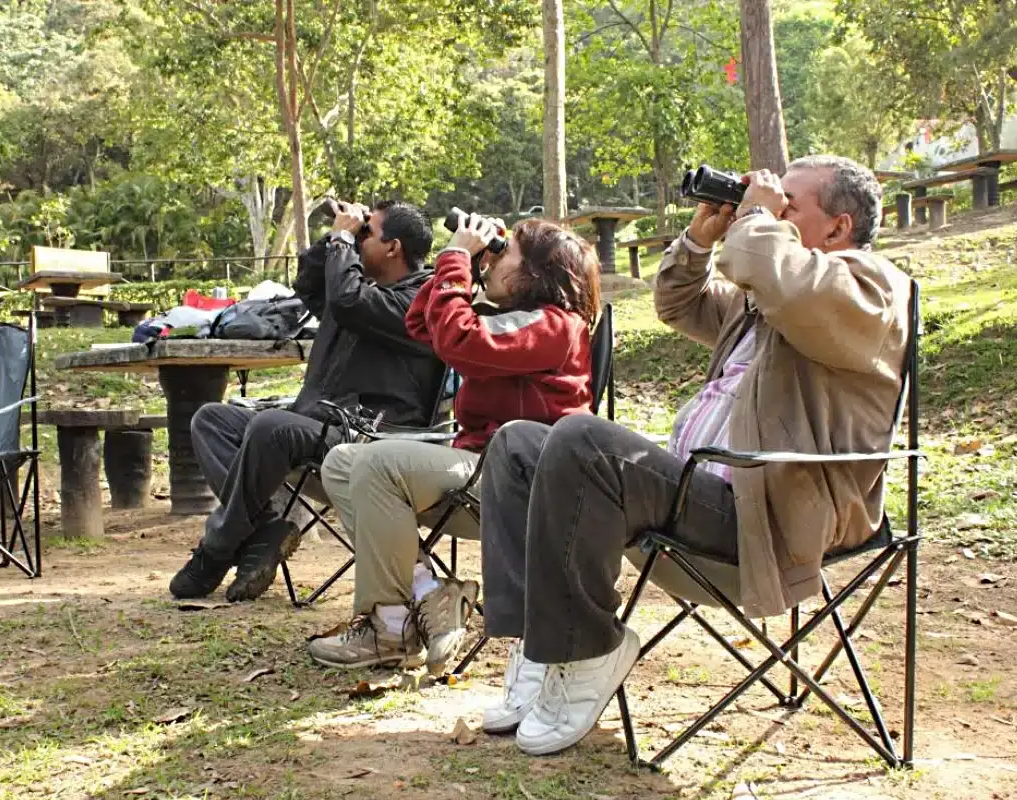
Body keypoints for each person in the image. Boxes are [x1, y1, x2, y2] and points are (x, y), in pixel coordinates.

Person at [477, 155, 912, 756]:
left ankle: (587, 649)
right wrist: (700, 239)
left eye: (787, 203)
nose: (770, 209)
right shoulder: (774, 297)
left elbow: (773, 270)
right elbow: (679, 303)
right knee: (518, 444)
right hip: (700, 496)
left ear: (838, 227)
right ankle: (541, 643)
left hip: (769, 520)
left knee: (581, 438)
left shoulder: (869, 290)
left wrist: (756, 218)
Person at [307, 213, 603, 675]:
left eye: (505, 253)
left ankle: (390, 627)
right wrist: (462, 263)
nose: (493, 260)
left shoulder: (554, 326)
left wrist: (456, 256)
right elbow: (420, 321)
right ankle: (425, 597)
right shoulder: (517, 320)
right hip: (481, 468)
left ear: (536, 273)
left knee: (377, 465)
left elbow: (459, 339)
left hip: (523, 481)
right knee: (341, 463)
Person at [169, 201, 444, 602]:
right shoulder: (353, 286)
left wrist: (344, 240)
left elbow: (348, 303)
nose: (357, 241)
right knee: (212, 420)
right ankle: (264, 531)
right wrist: (335, 237)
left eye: (367, 234)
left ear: (393, 247)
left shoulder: (421, 302)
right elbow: (308, 283)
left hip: (366, 435)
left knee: (270, 427)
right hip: (317, 421)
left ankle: (216, 548)